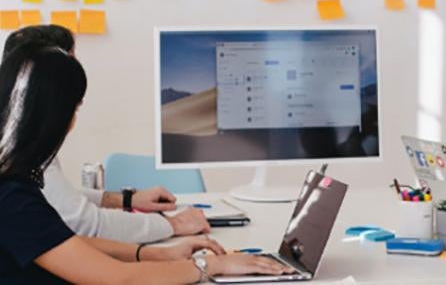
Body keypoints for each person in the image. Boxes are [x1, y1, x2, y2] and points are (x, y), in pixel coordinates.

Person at [0, 43, 292, 283]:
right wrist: (211, 266)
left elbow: (61, 243)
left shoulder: (16, 180)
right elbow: (119, 279)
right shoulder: (12, 198)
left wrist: (156, 254)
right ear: (53, 117)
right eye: (73, 109)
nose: (73, 123)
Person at [3, 25, 209, 243]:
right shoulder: (19, 156)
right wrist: (173, 225)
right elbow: (86, 224)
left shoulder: (22, 140)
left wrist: (127, 200)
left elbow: (59, 199)